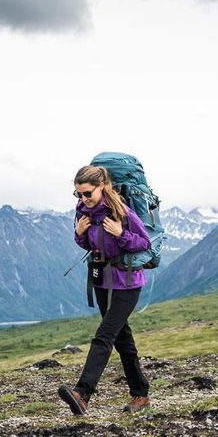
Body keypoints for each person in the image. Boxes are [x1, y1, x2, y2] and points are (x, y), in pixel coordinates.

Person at [58, 165, 152, 415]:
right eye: (78, 194)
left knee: (104, 336)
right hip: (101, 281)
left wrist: (121, 234)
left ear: (102, 187)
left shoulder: (122, 212)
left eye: (88, 193)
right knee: (123, 340)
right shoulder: (84, 213)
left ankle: (82, 393)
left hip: (128, 283)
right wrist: (79, 235)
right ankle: (140, 394)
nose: (83, 199)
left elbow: (145, 243)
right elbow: (89, 243)